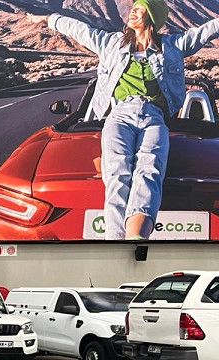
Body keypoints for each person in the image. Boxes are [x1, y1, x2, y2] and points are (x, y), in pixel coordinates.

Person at [29, 1, 219, 241]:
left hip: (154, 117)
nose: (133, 11)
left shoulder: (173, 45)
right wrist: (49, 19)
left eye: (140, 9)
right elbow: (80, 29)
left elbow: (206, 31)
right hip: (119, 115)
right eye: (134, 7)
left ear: (152, 17)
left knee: (149, 169)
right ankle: (116, 240)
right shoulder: (112, 43)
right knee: (117, 171)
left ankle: (136, 238)